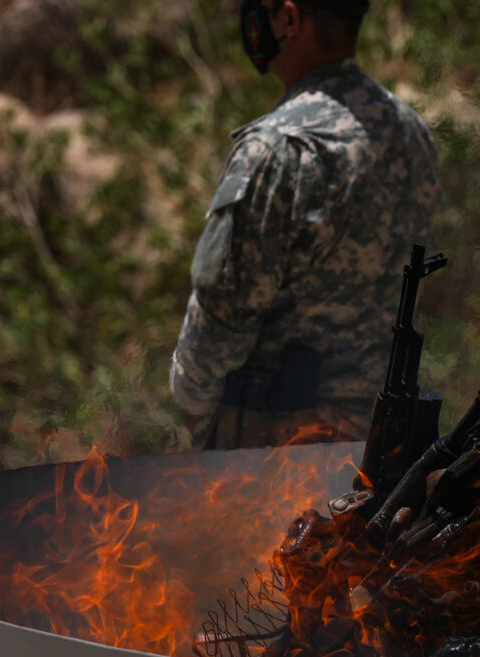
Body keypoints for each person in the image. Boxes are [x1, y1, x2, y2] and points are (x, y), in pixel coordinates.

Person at [170, 0, 440, 449]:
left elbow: (224, 305)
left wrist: (193, 401)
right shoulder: (412, 133)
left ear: (291, 20)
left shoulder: (275, 147)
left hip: (272, 454)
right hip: (374, 442)